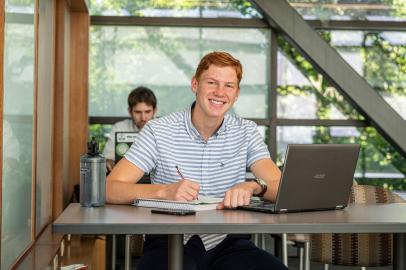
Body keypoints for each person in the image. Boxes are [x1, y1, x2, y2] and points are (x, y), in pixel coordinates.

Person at [106, 51, 287, 270]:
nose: (220, 92)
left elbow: (282, 189)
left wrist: (254, 187)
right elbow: (110, 188)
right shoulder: (158, 130)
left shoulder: (246, 132)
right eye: (212, 82)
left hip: (228, 243)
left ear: (237, 93)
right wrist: (164, 192)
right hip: (169, 242)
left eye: (229, 86)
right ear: (195, 84)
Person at [102, 86, 157, 172]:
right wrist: (108, 161)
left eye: (147, 111)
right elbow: (107, 157)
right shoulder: (120, 127)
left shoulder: (164, 128)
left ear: (155, 110)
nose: (143, 117)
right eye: (138, 112)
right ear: (130, 111)